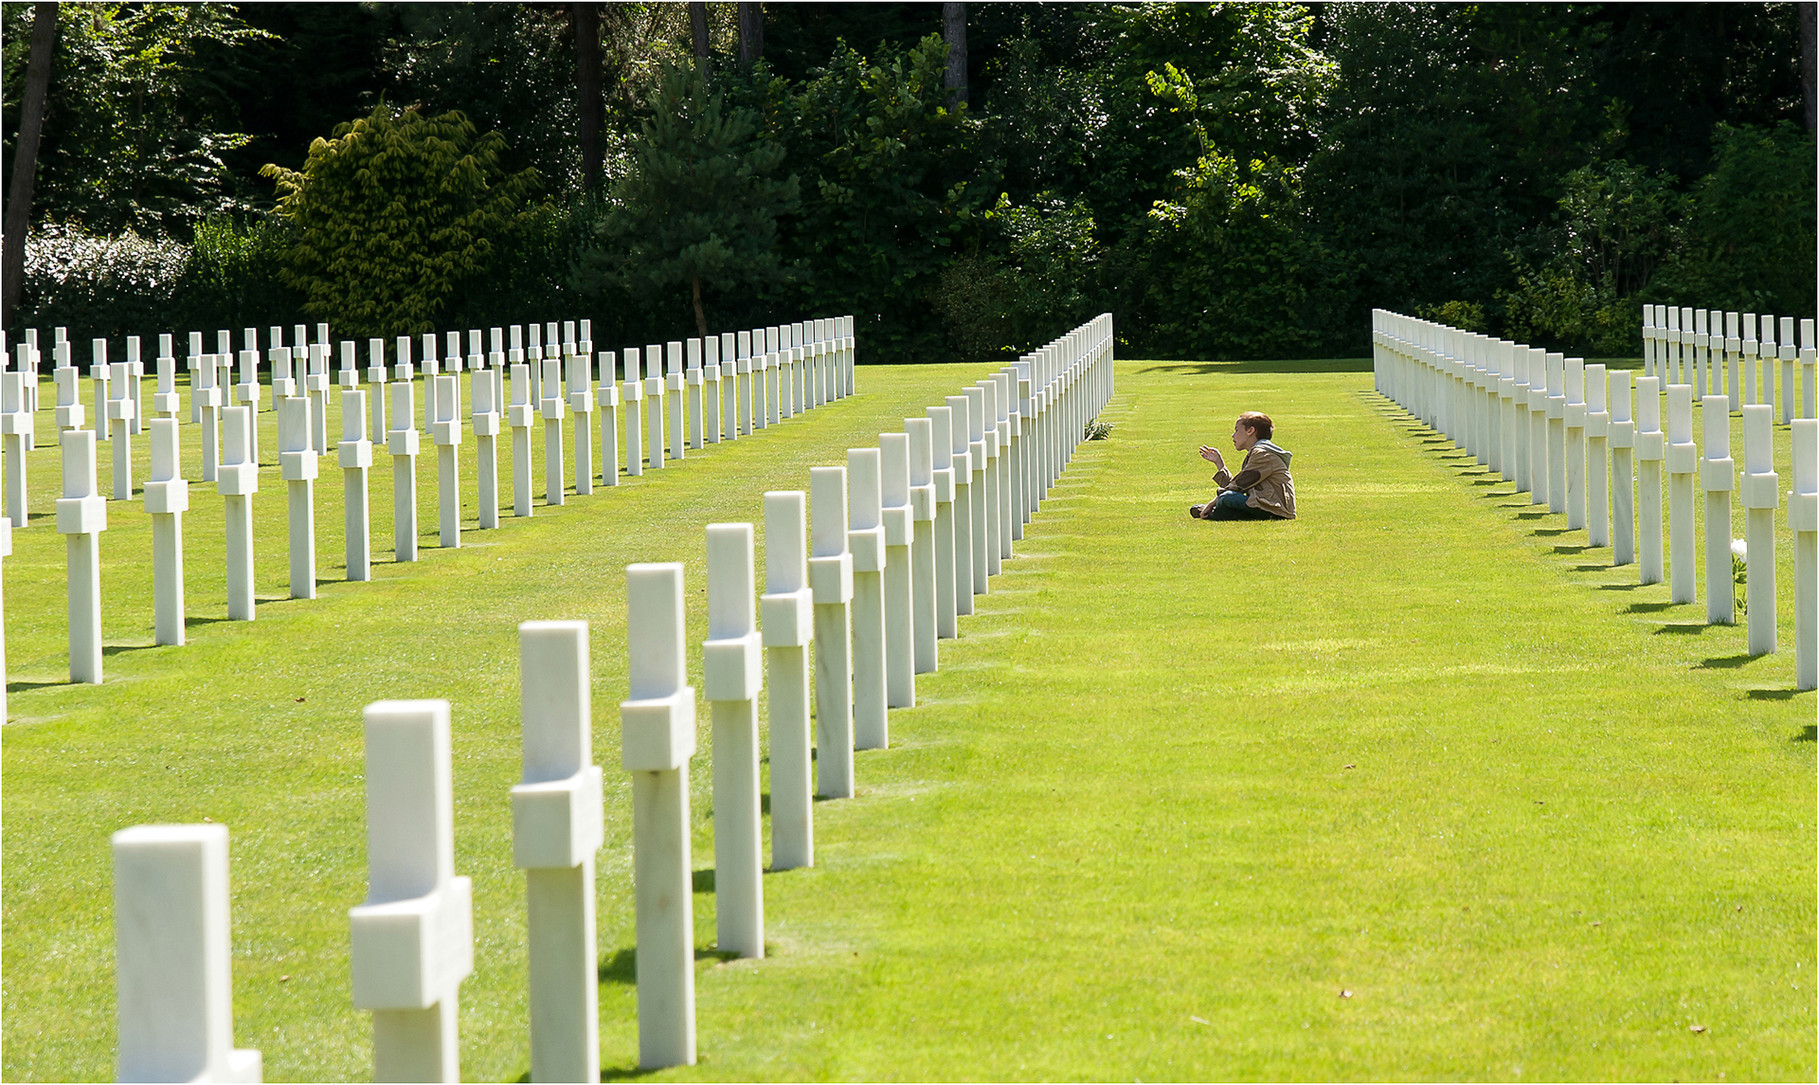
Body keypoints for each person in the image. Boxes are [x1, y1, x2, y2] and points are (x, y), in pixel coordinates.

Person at [1190, 411, 1295, 521]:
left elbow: (1238, 486)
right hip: (1263, 504)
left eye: (1236, 430)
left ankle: (1211, 513)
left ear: (1250, 431)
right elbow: (1238, 485)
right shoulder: (1257, 452)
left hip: (1275, 508)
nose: (1233, 435)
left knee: (1226, 498)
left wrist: (1211, 504)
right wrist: (1219, 463)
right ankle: (1216, 512)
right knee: (1227, 497)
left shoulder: (1263, 454)